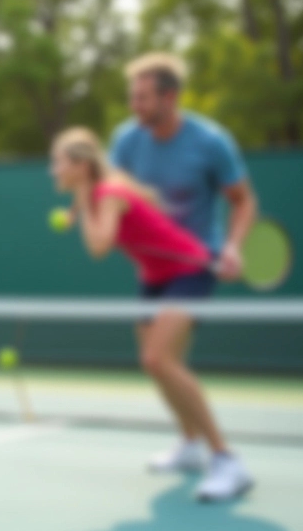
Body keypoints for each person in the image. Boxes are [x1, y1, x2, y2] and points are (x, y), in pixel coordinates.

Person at [106, 52, 258, 501]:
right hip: (153, 267)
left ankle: (228, 460)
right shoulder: (126, 141)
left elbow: (243, 201)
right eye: (132, 97)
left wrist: (231, 247)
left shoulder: (211, 142)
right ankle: (189, 444)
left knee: (158, 358)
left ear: (170, 97)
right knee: (157, 364)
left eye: (143, 98)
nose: (135, 106)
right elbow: (115, 194)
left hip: (196, 263)